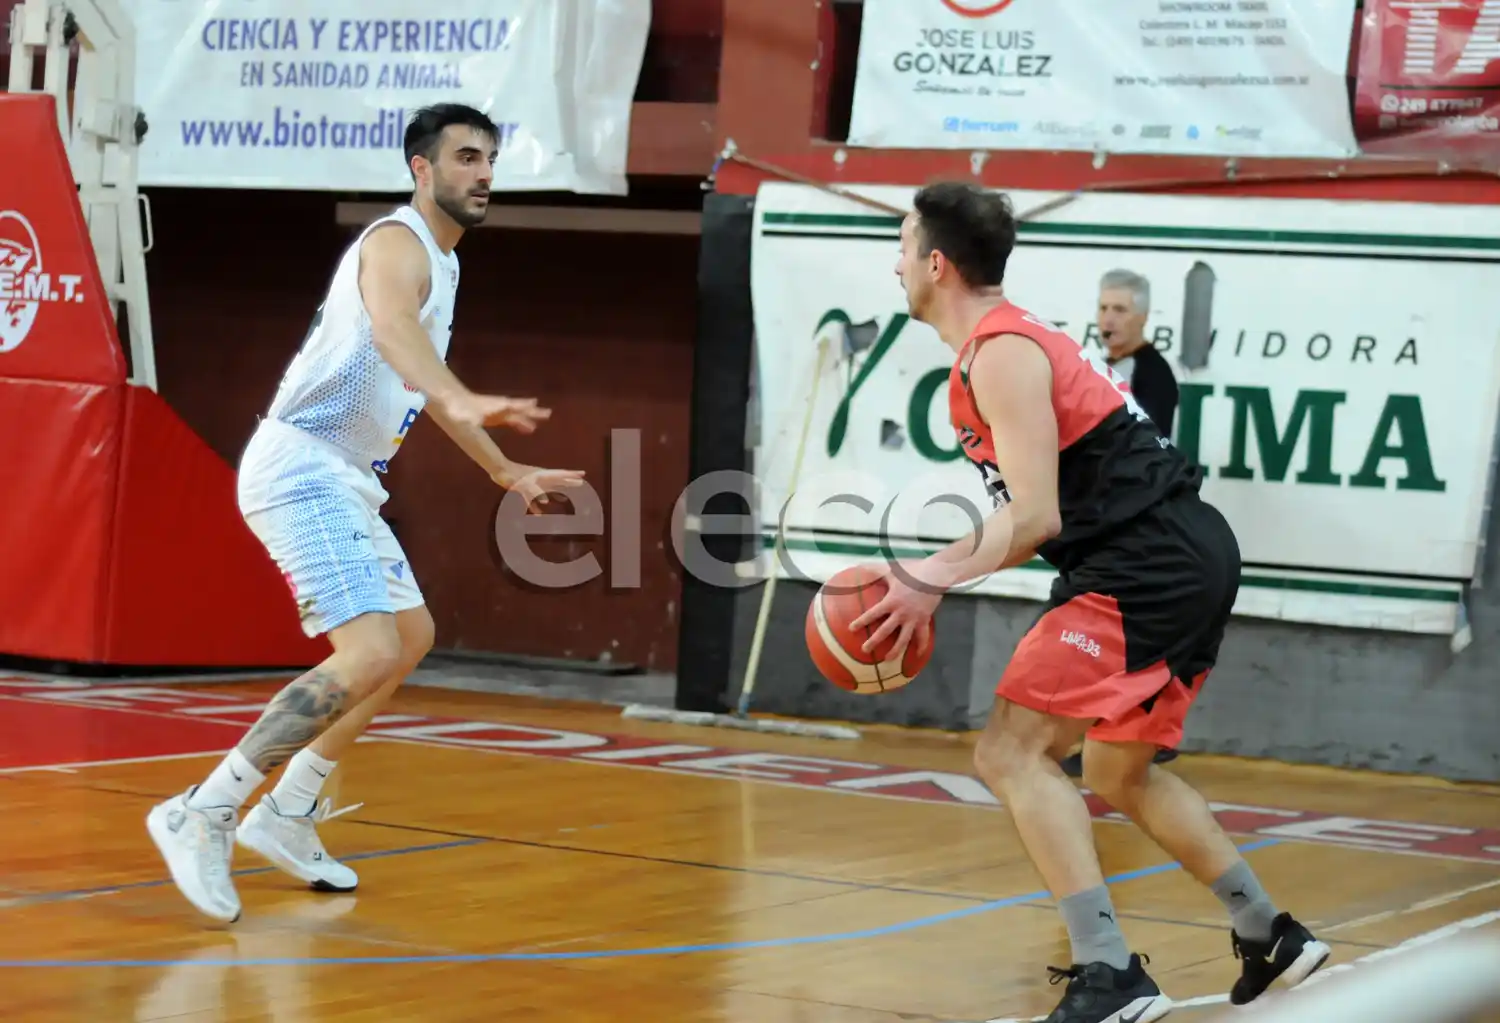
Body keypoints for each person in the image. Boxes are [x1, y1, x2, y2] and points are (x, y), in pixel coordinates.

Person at [850, 182, 1329, 1023]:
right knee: (1115, 768)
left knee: (1009, 753)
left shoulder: (1000, 351)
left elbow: (1035, 517)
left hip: (1143, 562)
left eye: (901, 245)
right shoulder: (1006, 345)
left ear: (935, 263)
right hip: (1177, 552)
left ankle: (1110, 971)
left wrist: (924, 576)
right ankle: (1269, 931)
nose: (894, 264)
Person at [146, 103, 586, 923]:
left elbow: (421, 373)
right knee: (369, 647)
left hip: (345, 473)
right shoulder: (395, 243)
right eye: (465, 157)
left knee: (409, 638)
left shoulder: (446, 269)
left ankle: (289, 810)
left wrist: (501, 469)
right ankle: (202, 809)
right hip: (303, 463)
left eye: (490, 158)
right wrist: (460, 393)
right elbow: (390, 333)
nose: (484, 172)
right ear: (422, 169)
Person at [1058, 269, 1183, 779]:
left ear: (1143, 317)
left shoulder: (1151, 378)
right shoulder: (1106, 368)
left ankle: (1137, 732)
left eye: (1119, 310)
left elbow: (1131, 454)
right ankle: (1122, 733)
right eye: (1103, 308)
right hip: (1109, 523)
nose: (1107, 319)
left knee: (1105, 630)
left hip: (1131, 526)